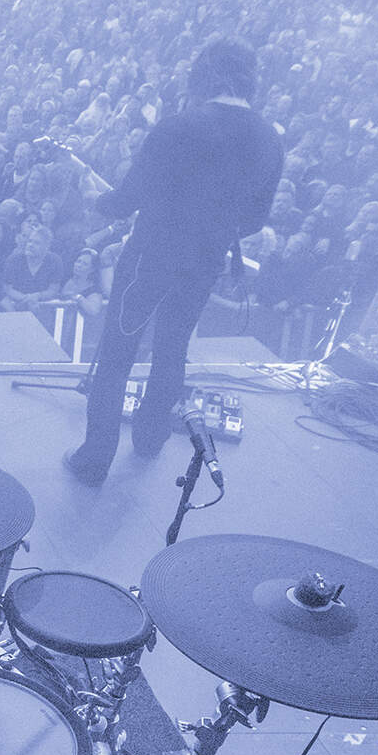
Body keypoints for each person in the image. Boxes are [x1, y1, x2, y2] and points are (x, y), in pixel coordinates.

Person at [65, 39, 284, 483]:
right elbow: (255, 219)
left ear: (204, 73)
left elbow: (126, 199)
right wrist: (212, 228)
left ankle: (95, 459)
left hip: (149, 259)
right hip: (204, 264)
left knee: (117, 354)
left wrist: (97, 199)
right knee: (172, 350)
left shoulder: (179, 126)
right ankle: (150, 440)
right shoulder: (269, 140)